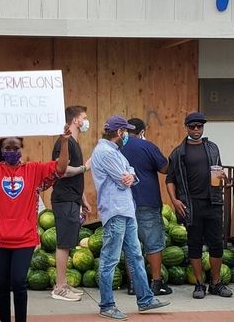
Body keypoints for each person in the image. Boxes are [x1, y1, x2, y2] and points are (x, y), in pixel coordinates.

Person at [0, 128, 82, 322]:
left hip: (25, 238)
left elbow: (60, 169)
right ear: (1, 149)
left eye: (15, 147)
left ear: (21, 148)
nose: (11, 151)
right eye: (7, 147)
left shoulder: (34, 170)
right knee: (2, 284)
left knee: (19, 282)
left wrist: (64, 142)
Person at [90, 115, 170, 320]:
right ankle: (107, 304)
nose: (126, 134)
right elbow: (122, 180)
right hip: (115, 210)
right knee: (110, 259)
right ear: (119, 133)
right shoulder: (105, 152)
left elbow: (131, 173)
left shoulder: (116, 151)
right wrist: (129, 176)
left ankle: (145, 299)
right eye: (124, 131)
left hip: (126, 210)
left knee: (135, 256)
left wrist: (130, 175)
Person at [166, 112, 233, 299]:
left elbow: (219, 171)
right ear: (186, 127)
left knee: (217, 244)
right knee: (194, 245)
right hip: (191, 205)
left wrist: (223, 179)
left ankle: (216, 283)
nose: (196, 129)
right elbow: (170, 179)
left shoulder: (212, 148)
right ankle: (198, 284)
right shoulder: (179, 152)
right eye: (193, 126)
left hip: (213, 201)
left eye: (200, 126)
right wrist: (175, 200)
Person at [120, 118, 173, 296]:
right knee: (153, 243)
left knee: (131, 244)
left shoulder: (118, 147)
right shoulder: (148, 146)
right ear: (142, 131)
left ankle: (134, 285)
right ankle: (157, 282)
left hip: (125, 203)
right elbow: (165, 168)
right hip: (147, 201)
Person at [50, 105, 93, 302]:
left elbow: (75, 177)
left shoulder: (74, 143)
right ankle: (59, 287)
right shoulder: (64, 142)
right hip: (64, 199)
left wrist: (83, 200)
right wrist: (85, 168)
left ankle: (63, 283)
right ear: (76, 120)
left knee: (68, 243)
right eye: (84, 117)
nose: (86, 121)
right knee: (64, 243)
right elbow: (63, 170)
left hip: (73, 199)